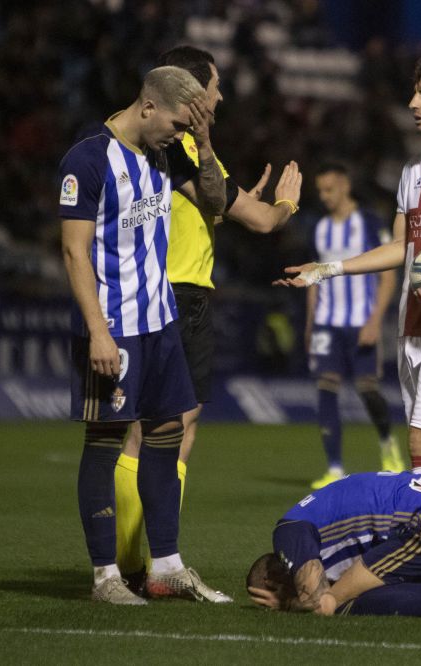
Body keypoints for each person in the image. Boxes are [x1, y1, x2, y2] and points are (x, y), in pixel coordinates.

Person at [276, 58, 421, 548]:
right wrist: (326, 268)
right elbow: (400, 249)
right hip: (413, 324)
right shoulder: (411, 170)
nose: (412, 103)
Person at [112, 45, 303, 588]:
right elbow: (259, 220)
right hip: (173, 294)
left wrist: (253, 204)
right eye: (215, 86)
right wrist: (287, 205)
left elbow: (233, 208)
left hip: (174, 293)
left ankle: (150, 564)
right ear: (193, 94)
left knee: (168, 429)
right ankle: (139, 565)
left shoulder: (173, 148)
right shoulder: (178, 146)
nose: (220, 95)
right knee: (158, 431)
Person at [59, 65, 231, 604]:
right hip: (113, 328)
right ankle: (106, 576)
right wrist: (97, 333)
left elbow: (215, 204)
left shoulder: (167, 151)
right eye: (178, 123)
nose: (178, 134)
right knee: (106, 441)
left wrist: (202, 143)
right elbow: (73, 251)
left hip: (161, 324)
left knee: (165, 437)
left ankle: (168, 566)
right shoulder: (87, 158)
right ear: (148, 107)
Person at [246, 472, 421, 620]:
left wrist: (290, 604)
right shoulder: (321, 532)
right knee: (360, 591)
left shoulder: (289, 530)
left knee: (336, 601)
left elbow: (317, 598)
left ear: (273, 579)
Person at [305, 162, 402, 489]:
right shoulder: (319, 228)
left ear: (345, 186)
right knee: (325, 388)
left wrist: (376, 320)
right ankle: (333, 468)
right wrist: (310, 324)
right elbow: (314, 276)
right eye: (320, 191)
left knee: (367, 389)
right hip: (327, 324)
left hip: (361, 320)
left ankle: (388, 442)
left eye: (329, 189)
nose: (325, 196)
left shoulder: (370, 222)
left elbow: (388, 274)